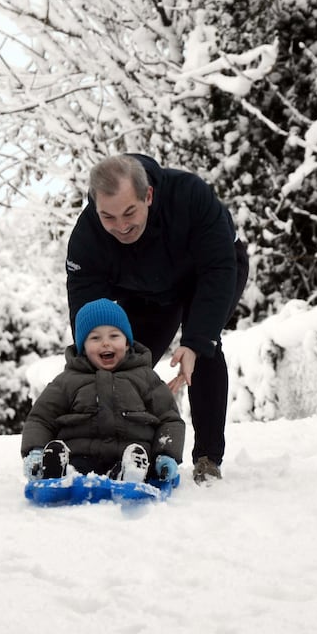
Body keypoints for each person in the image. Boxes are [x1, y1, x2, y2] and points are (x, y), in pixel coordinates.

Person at [65, 154, 249, 483]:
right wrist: (95, 361)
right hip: (147, 293)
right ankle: (114, 452)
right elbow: (89, 314)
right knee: (123, 361)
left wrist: (195, 341)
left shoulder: (189, 195)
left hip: (209, 273)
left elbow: (218, 269)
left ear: (148, 195)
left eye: (129, 213)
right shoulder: (88, 238)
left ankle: (208, 458)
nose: (121, 226)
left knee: (202, 350)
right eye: (108, 216)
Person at [21, 298, 185, 483]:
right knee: (72, 466)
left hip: (131, 455)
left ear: (127, 343)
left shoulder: (145, 378)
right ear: (83, 347)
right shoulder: (67, 381)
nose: (106, 343)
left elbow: (169, 418)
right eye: (95, 338)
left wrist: (166, 454)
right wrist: (35, 450)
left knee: (136, 462)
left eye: (114, 336)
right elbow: (41, 418)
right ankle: (57, 470)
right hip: (80, 457)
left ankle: (131, 473)